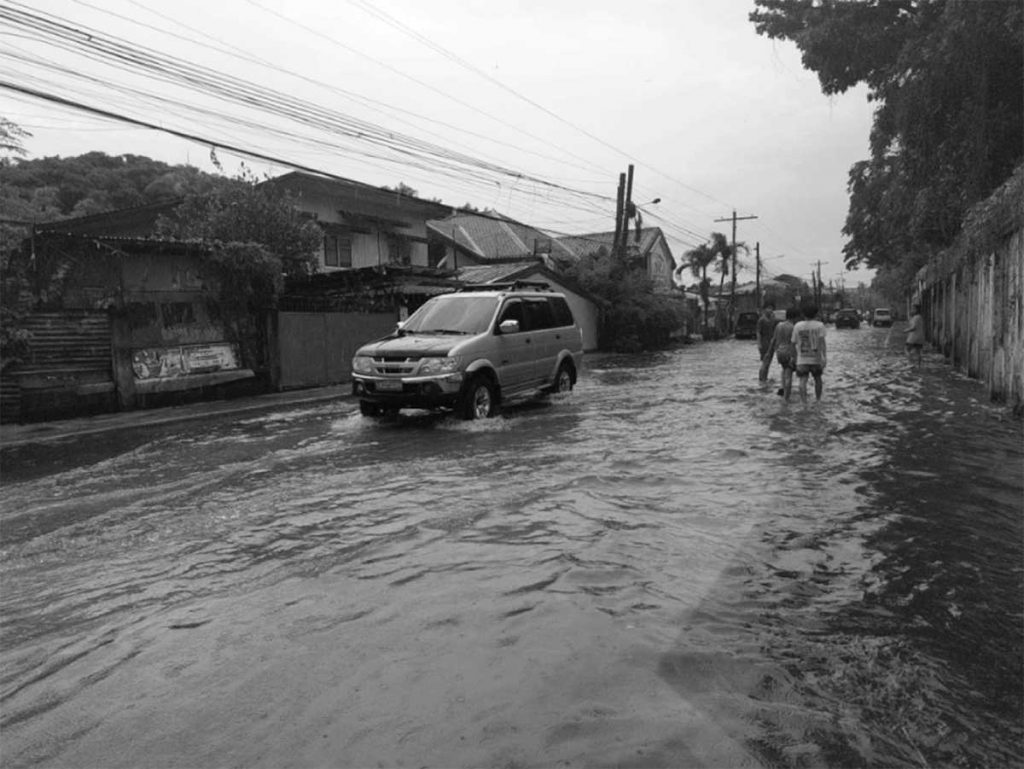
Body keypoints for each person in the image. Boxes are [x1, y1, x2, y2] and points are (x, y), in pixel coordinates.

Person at [792, 303, 827, 402]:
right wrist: (824, 357)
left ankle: (804, 403)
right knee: (818, 379)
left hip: (802, 359)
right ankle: (818, 400)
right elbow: (822, 343)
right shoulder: (820, 325)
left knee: (802, 380)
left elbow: (793, 342)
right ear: (816, 314)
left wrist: (794, 357)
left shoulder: (797, 326)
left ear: (803, 314)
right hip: (816, 359)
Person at [770, 307, 800, 401]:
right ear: (795, 317)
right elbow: (793, 343)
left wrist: (770, 352)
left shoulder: (779, 325)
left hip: (779, 352)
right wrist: (794, 357)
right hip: (788, 352)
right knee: (789, 375)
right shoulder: (793, 327)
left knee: (785, 370)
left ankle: (782, 389)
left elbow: (773, 340)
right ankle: (786, 399)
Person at [756, 303, 777, 381]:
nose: (770, 310)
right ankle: (761, 378)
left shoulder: (772, 319)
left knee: (768, 362)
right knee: (765, 361)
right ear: (764, 310)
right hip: (764, 342)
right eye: (768, 308)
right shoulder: (761, 320)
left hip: (771, 343)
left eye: (771, 308)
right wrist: (759, 344)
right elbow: (758, 332)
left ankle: (765, 378)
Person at [905, 303, 925, 368]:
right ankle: (919, 366)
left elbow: (913, 328)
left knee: (907, 350)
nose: (912, 310)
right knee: (918, 352)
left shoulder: (916, 318)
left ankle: (911, 363)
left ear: (916, 309)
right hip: (920, 337)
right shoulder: (920, 317)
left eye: (913, 309)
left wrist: (906, 330)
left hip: (913, 338)